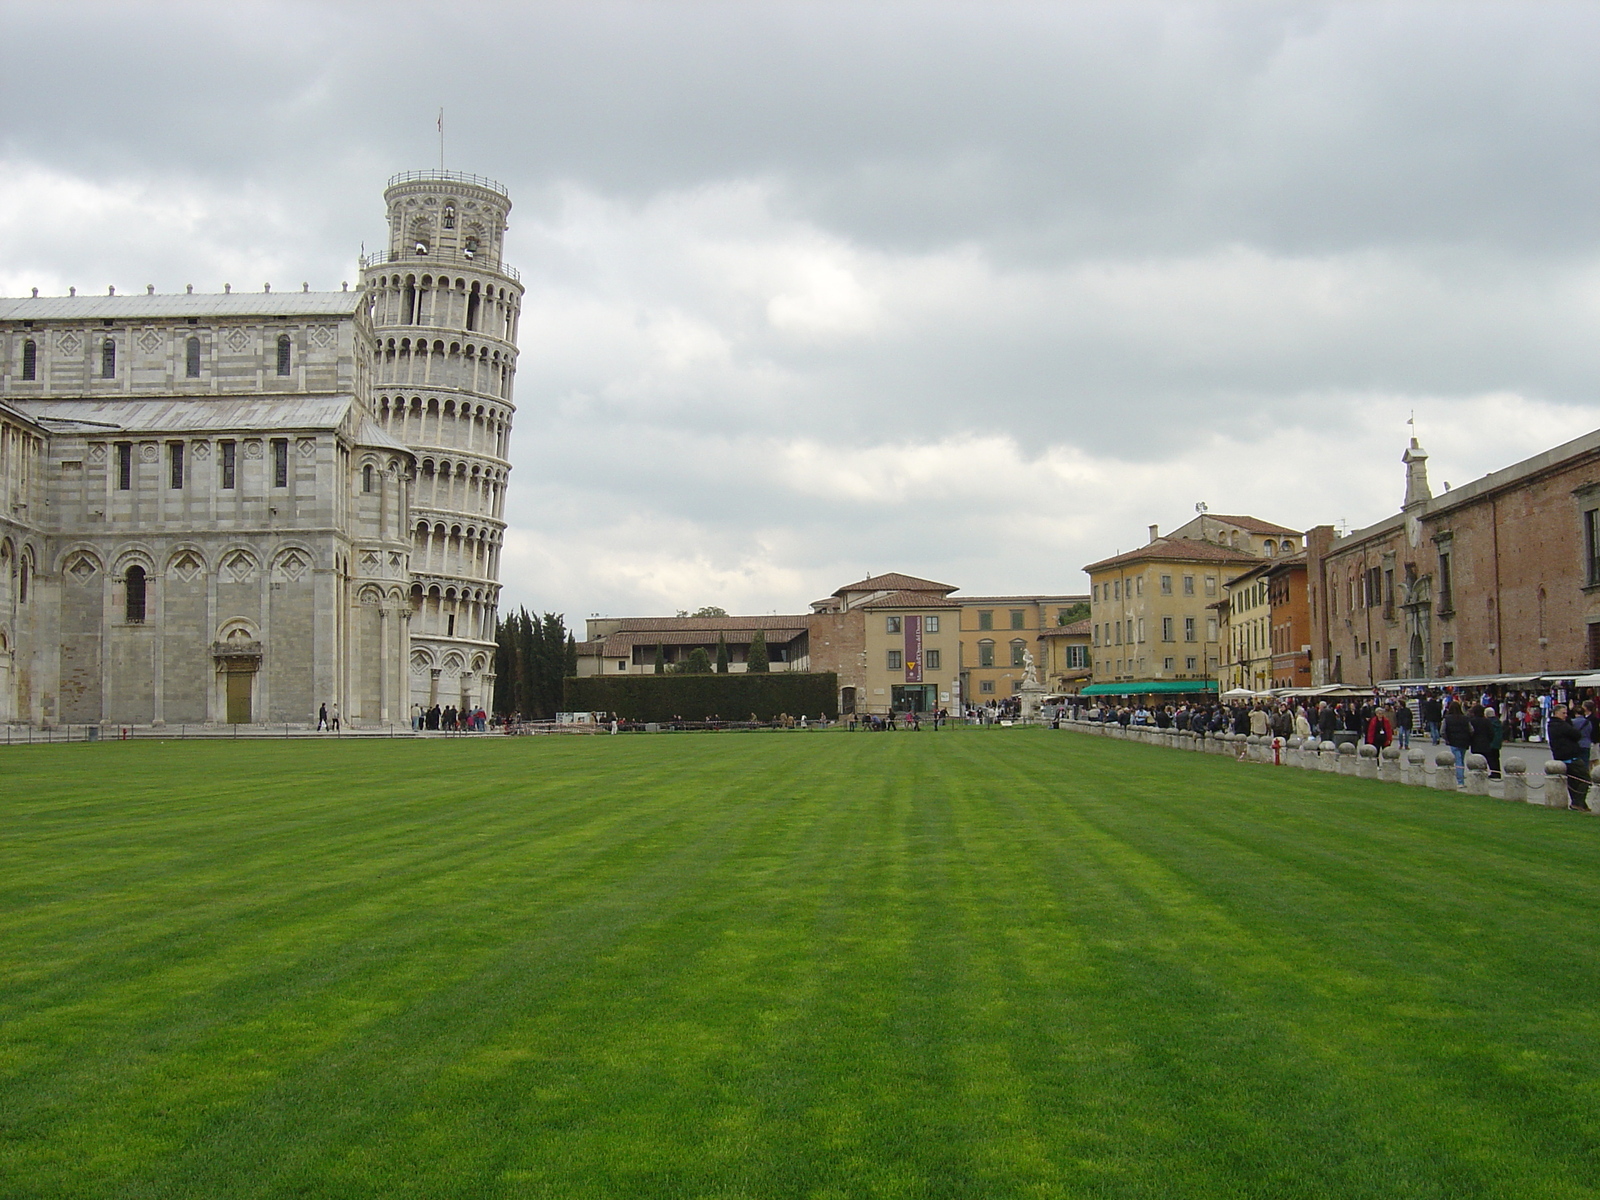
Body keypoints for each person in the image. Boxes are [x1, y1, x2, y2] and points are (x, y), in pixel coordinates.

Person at [1548, 704, 1592, 811]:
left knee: (1573, 781)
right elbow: (1576, 734)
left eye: (1566, 713)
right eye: (1563, 713)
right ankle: (1577, 802)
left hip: (1562, 755)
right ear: (1556, 713)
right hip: (1570, 756)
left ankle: (1579, 803)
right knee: (1585, 778)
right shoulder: (1561, 725)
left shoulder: (1551, 725)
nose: (1565, 716)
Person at [1442, 701, 1474, 786]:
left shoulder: (1447, 719)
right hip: (1464, 741)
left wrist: (1447, 739)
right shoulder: (1465, 718)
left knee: (1458, 760)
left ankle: (1460, 781)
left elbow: (1442, 731)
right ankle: (1460, 777)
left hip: (1453, 741)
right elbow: (1471, 730)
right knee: (1461, 760)